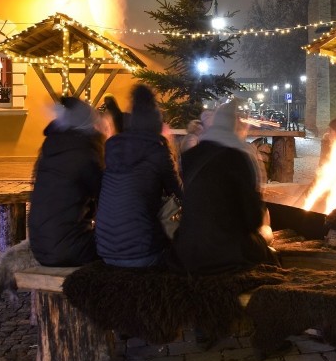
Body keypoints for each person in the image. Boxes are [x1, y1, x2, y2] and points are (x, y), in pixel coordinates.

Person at [171, 100, 274, 274]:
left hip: (189, 251)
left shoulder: (190, 156)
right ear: (234, 128)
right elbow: (253, 219)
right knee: (267, 235)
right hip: (226, 254)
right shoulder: (239, 158)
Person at [95, 84, 182, 268]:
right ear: (156, 123)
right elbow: (178, 192)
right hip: (141, 253)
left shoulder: (112, 146)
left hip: (105, 250)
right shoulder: (158, 150)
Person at [28, 96, 104, 267]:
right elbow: (106, 196)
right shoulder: (84, 152)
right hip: (70, 250)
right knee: (125, 244)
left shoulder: (51, 146)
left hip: (41, 248)